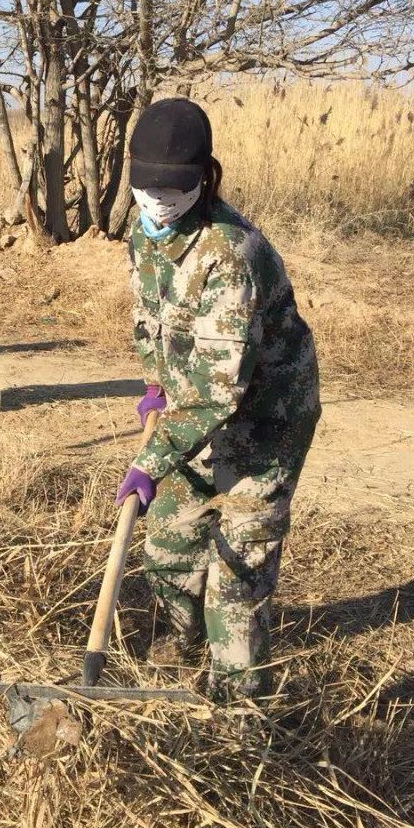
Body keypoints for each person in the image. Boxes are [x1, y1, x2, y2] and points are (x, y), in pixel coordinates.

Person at [116, 97, 321, 702]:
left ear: (205, 177)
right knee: (167, 547)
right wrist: (155, 384)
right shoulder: (145, 231)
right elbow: (149, 312)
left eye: (171, 190)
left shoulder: (233, 256)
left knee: (236, 579)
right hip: (191, 413)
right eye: (145, 188)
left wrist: (150, 462)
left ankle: (240, 715)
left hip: (263, 425)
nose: (156, 203)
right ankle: (179, 663)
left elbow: (219, 393)